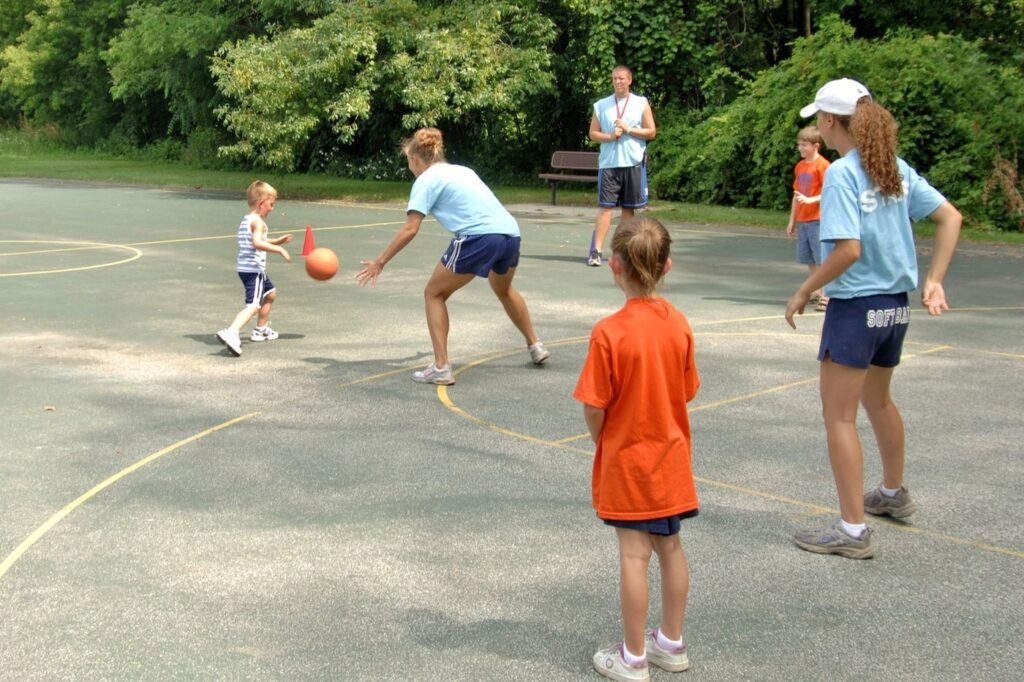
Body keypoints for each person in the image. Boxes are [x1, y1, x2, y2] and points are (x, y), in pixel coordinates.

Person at [785, 78, 962, 559]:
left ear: (828, 122)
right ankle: (892, 492)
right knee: (879, 403)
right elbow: (951, 217)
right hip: (895, 307)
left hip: (857, 308)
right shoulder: (892, 168)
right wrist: (935, 279)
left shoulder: (842, 174)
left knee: (838, 417)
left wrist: (805, 288)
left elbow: (848, 250)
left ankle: (853, 530)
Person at [574, 217, 699, 681]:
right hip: (671, 459)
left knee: (633, 555)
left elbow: (593, 405)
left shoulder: (609, 332)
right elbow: (687, 390)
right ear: (667, 266)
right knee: (670, 547)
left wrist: (604, 441)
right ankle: (671, 642)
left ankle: (633, 658)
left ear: (615, 265)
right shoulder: (679, 323)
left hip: (631, 462)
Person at [355, 127, 550, 385]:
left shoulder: (425, 180)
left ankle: (441, 367)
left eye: (408, 161)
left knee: (433, 294)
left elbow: (410, 228)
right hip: (510, 234)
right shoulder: (462, 170)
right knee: (503, 289)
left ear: (415, 159)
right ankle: (535, 345)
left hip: (478, 237)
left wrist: (380, 262)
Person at [587, 65, 656, 267]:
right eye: (615, 78)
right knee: (605, 209)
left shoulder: (641, 103)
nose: (618, 81)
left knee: (628, 210)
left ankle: (621, 252)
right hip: (609, 165)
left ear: (629, 80)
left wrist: (629, 129)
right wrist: (610, 136)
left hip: (633, 162)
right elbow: (593, 134)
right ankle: (596, 251)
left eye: (622, 78)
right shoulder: (601, 105)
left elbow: (651, 132)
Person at [216, 180, 292, 357]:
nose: (272, 208)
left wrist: (277, 241)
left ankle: (261, 329)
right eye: (271, 204)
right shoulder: (257, 222)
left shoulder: (248, 219)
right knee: (254, 305)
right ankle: (232, 332)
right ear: (261, 203)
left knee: (271, 293)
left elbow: (258, 240)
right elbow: (257, 243)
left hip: (245, 268)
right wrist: (279, 249)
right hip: (253, 270)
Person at [785, 126, 831, 311]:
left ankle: (827, 296)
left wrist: (812, 199)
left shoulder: (824, 166)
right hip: (804, 220)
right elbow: (797, 195)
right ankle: (817, 290)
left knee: (822, 259)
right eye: (799, 145)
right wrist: (792, 220)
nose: (801, 149)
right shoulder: (800, 166)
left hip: (818, 219)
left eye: (804, 145)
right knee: (810, 259)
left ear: (816, 146)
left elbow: (830, 192)